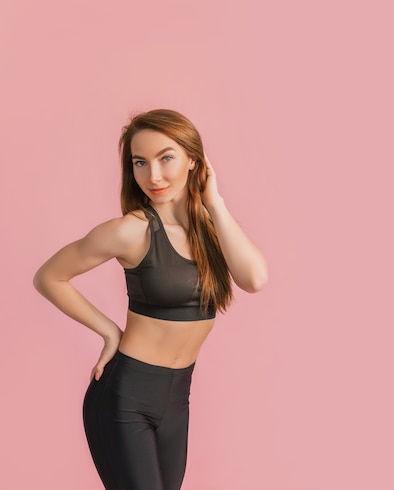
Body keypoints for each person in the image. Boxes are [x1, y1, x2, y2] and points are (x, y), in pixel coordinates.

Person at [33, 109, 268, 490]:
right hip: (126, 397)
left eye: (166, 158)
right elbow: (49, 277)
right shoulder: (132, 231)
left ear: (194, 160)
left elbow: (254, 279)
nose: (152, 176)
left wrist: (216, 202)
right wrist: (110, 332)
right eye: (140, 162)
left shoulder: (212, 229)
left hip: (177, 401)